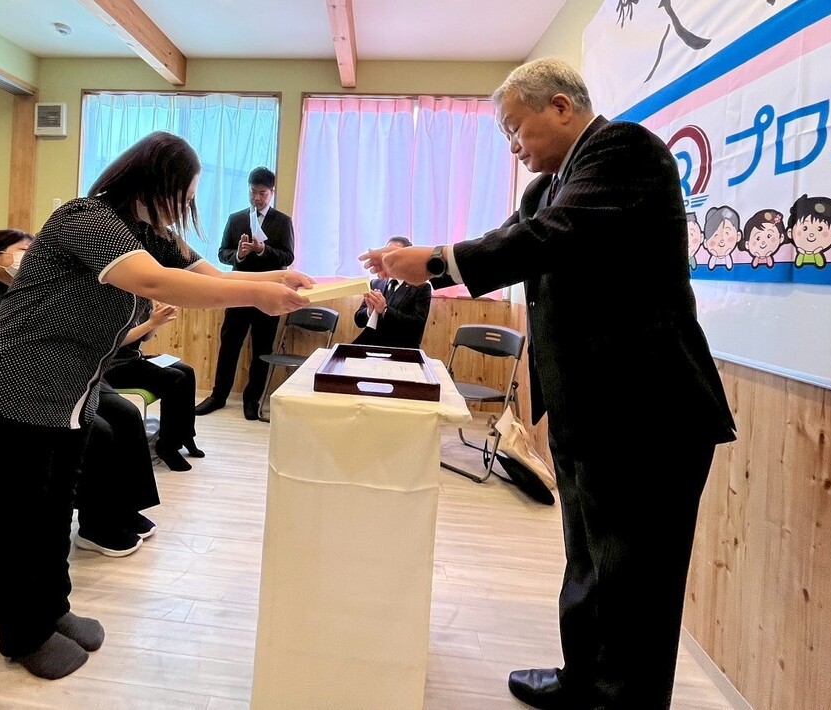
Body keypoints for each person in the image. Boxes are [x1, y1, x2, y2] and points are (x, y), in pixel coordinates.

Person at [361, 59, 736, 710]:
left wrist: (437, 262)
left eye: (515, 129)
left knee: (637, 579)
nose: (512, 146)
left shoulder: (625, 151)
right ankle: (582, 680)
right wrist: (427, 259)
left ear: (560, 107)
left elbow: (552, 239)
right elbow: (512, 239)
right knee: (587, 560)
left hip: (649, 410)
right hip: (585, 409)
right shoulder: (545, 188)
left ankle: (623, 702)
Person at [0, 132, 309, 680]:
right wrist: (256, 294)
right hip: (11, 387)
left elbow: (209, 277)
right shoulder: (85, 218)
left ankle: (52, 609)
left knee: (56, 511)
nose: (184, 207)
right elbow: (154, 282)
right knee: (21, 519)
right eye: (183, 195)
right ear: (154, 183)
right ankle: (23, 635)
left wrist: (276, 279)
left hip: (68, 396)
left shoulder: (148, 235)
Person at [0, 228, 160, 558]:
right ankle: (96, 523)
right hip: (10, 389)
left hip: (60, 376)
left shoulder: (34, 290)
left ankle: (121, 509)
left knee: (126, 414)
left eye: (34, 250)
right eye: (23, 250)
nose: (30, 257)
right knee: (98, 432)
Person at [195, 166, 296, 420]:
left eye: (262, 193)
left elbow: (288, 257)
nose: (256, 198)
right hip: (238, 291)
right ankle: (218, 396)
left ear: (271, 193)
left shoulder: (282, 222)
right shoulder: (236, 218)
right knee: (229, 345)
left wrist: (263, 250)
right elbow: (222, 253)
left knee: (262, 348)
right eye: (253, 192)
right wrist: (238, 255)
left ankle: (252, 400)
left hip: (269, 294)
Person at [104, 302, 203, 471]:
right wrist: (152, 322)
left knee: (187, 371)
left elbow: (145, 337)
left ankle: (186, 435)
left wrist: (157, 321)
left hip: (132, 359)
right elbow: (117, 340)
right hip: (112, 367)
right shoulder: (115, 303)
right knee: (175, 379)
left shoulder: (142, 299)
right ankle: (167, 446)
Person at [351, 235, 431, 348]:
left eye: (395, 255)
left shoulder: (421, 287)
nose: (390, 259)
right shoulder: (375, 283)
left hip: (401, 348)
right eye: (387, 254)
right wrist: (370, 311)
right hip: (371, 344)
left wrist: (385, 310)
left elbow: (417, 327)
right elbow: (358, 321)